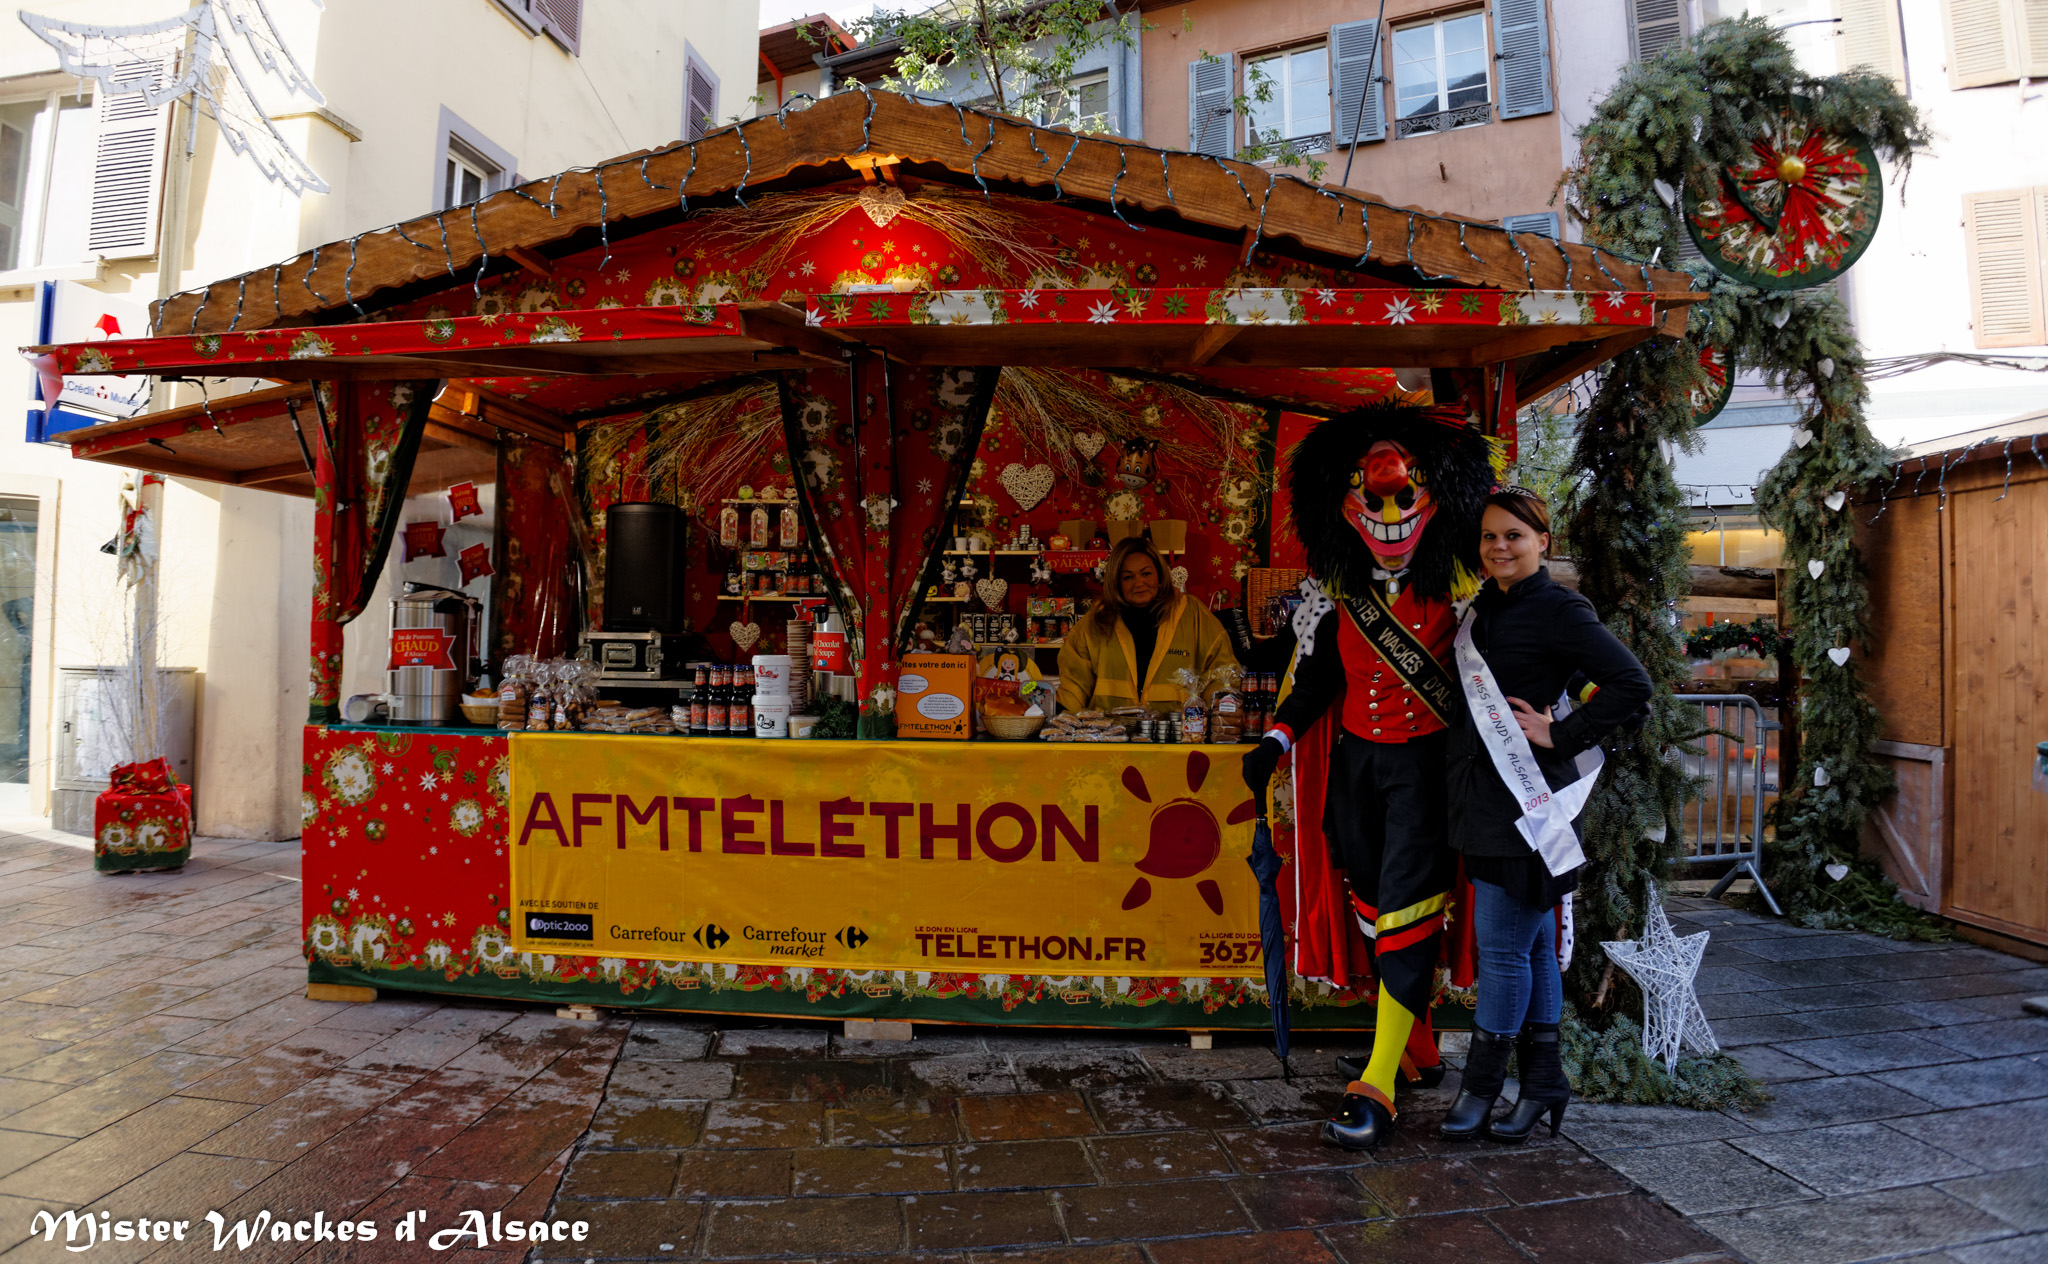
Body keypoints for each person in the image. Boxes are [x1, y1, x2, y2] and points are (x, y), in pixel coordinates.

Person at [1239, 402, 1496, 1151]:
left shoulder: (1462, 598)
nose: (1388, 515)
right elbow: (1317, 682)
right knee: (1375, 908)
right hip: (1354, 773)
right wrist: (1277, 738)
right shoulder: (1338, 597)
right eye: (1369, 498)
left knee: (1406, 918)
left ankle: (1377, 1085)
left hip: (1425, 776)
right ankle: (1418, 1050)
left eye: (1405, 495)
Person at [1439, 489, 1650, 1144]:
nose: (1499, 547)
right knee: (1529, 948)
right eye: (1489, 537)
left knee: (1502, 952)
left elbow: (1632, 684)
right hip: (1486, 801)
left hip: (1530, 806)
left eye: (1514, 536)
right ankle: (1544, 1083)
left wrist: (1562, 733)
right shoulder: (1483, 610)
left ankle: (1479, 1090)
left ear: (1542, 542)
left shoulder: (1560, 609)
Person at [1056, 535, 1236, 714]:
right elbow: (1074, 683)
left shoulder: (1192, 614)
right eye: (1128, 577)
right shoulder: (1097, 620)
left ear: (1160, 574)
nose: (1139, 583)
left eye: (1146, 574)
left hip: (1180, 729)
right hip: (1109, 729)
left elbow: (1221, 672)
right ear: (1116, 582)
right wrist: (1061, 717)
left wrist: (1223, 712)